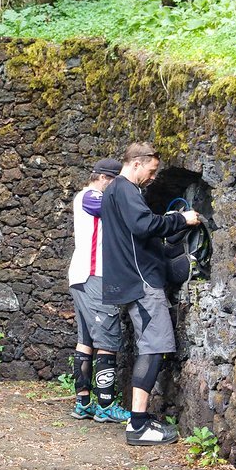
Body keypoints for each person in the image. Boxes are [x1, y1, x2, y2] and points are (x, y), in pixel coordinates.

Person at [100, 142, 201, 446]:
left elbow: (135, 233)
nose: (154, 177)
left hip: (129, 278)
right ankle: (138, 425)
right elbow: (143, 225)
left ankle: (139, 420)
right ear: (136, 164)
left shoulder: (114, 193)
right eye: (152, 170)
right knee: (153, 348)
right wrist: (181, 220)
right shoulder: (126, 190)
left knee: (150, 345)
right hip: (141, 281)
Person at [67, 158, 132, 423]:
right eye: (117, 182)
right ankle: (105, 405)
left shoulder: (86, 195)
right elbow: (113, 209)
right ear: (105, 178)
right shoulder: (91, 195)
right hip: (95, 276)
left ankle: (83, 402)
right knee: (107, 340)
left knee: (86, 341)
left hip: (82, 276)